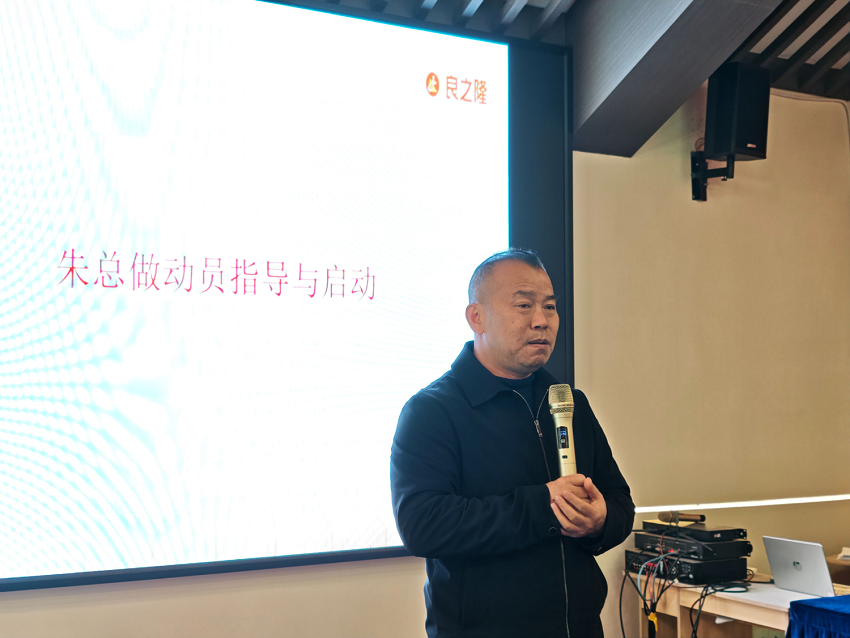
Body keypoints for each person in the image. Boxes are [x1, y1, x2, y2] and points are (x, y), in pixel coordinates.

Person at [390, 249, 634, 638]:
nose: (542, 320)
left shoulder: (568, 403)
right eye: (524, 305)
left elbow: (620, 502)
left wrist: (600, 520)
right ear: (477, 317)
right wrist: (543, 504)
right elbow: (423, 525)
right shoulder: (433, 410)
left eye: (550, 306)